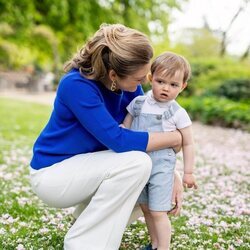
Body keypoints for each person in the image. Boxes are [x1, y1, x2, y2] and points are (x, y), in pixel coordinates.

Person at [29, 24, 183, 250]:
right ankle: (83, 244)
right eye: (139, 79)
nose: (143, 84)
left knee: (155, 179)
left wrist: (173, 172)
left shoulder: (129, 85)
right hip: (54, 175)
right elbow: (119, 140)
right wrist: (175, 138)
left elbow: (140, 132)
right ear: (113, 75)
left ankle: (85, 221)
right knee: (138, 164)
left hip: (89, 168)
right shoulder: (76, 85)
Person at [123, 51, 198, 250]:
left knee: (158, 211)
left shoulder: (177, 113)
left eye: (173, 85)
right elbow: (125, 129)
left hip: (161, 169)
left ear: (183, 86)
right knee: (146, 208)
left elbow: (188, 143)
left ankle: (163, 247)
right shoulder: (137, 104)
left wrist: (188, 172)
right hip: (139, 165)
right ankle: (155, 244)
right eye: (161, 81)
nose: (166, 88)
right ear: (150, 78)